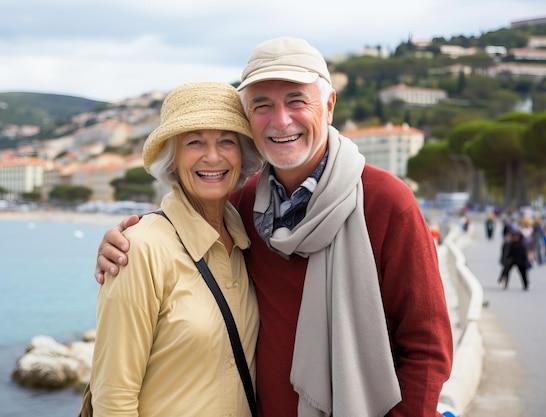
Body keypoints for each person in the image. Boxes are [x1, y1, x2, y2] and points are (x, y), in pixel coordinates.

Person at [94, 37, 453, 416]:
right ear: (250, 119)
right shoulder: (243, 208)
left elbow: (428, 346)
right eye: (262, 106)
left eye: (297, 101)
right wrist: (128, 239)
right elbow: (185, 218)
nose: (281, 121)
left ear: (328, 106)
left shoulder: (384, 202)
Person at [89, 81, 263, 416]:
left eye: (226, 141)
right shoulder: (138, 249)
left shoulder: (251, 238)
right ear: (172, 158)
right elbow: (113, 399)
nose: (212, 156)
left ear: (242, 153)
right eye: (194, 142)